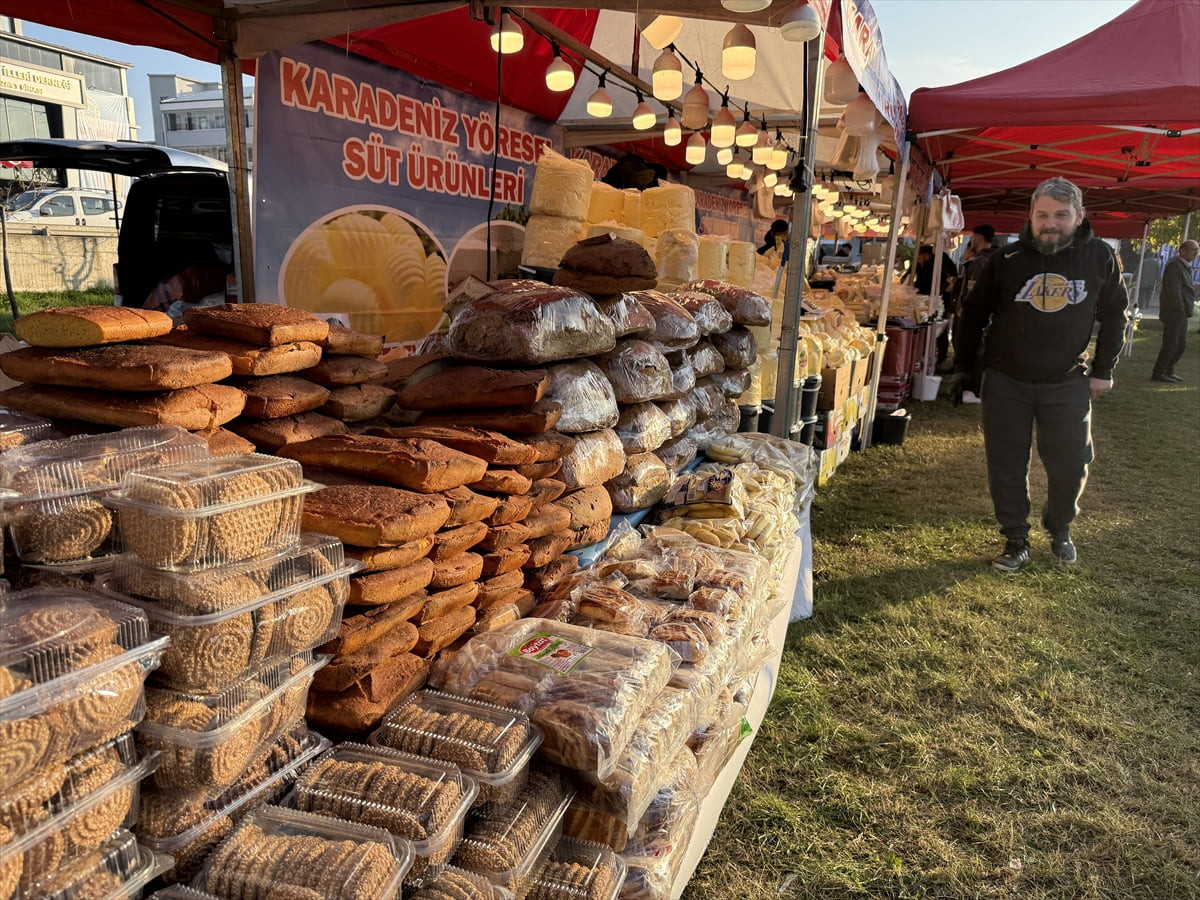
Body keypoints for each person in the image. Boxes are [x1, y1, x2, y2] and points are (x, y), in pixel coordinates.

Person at [954, 177, 1128, 572]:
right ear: (1031, 216)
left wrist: (1103, 370)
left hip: (1067, 381)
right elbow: (972, 317)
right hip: (1007, 382)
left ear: (1079, 216)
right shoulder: (1007, 260)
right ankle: (1015, 537)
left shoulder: (1098, 256)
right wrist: (969, 368)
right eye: (1043, 215)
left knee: (1072, 463)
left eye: (1061, 215)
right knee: (1007, 463)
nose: (1051, 223)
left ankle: (1060, 525)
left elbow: (1116, 314)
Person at [1152, 239, 1197, 382]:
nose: (1196, 253)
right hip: (1175, 312)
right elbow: (1173, 291)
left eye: (1197, 250)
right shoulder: (1175, 266)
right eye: (1193, 249)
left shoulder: (1182, 266)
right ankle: (1159, 372)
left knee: (1180, 344)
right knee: (1171, 344)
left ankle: (1168, 370)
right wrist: (1181, 308)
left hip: (1180, 313)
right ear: (1182, 251)